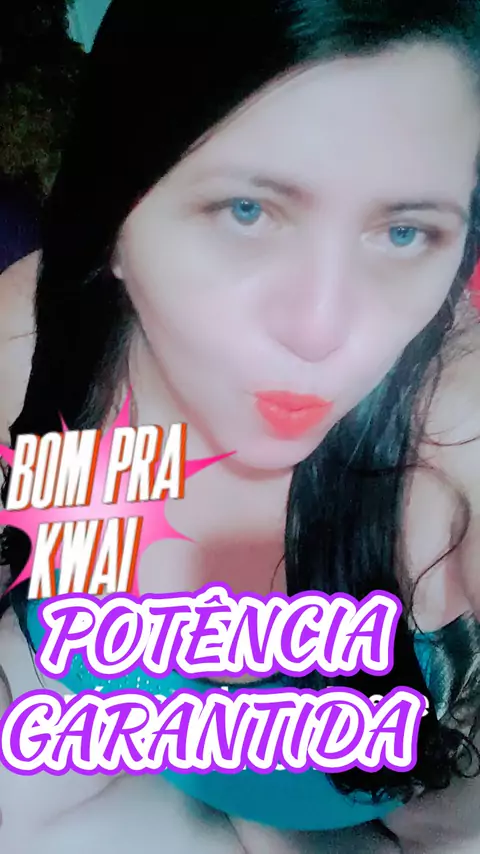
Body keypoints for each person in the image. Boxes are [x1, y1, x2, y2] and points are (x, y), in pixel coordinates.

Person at [0, 1, 480, 851]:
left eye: (405, 232)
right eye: (248, 212)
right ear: (112, 217)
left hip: (391, 816)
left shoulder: (452, 438)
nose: (323, 329)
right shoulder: (32, 341)